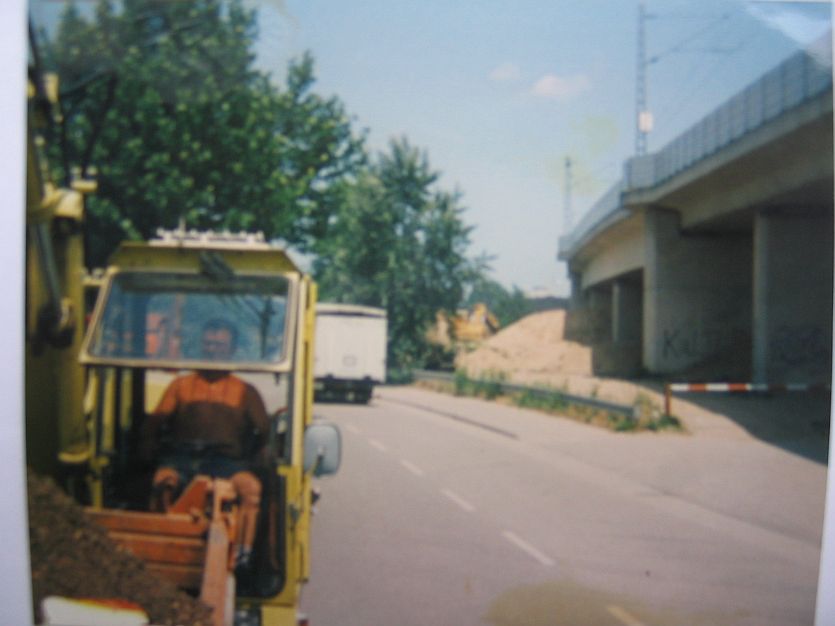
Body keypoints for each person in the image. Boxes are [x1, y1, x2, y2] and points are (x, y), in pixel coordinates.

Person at [141, 318, 270, 572]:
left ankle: (242, 555)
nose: (213, 350)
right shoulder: (181, 386)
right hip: (182, 459)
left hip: (226, 464)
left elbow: (265, 431)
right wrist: (146, 447)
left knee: (251, 489)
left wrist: (260, 454)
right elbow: (154, 423)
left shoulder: (245, 392)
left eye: (220, 345)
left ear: (231, 349)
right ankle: (157, 552)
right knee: (162, 482)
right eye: (209, 344)